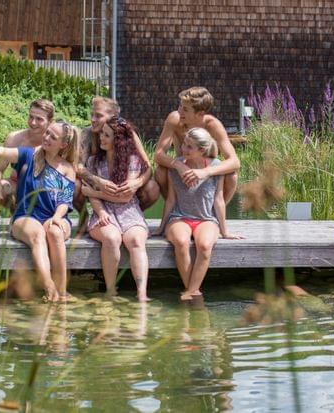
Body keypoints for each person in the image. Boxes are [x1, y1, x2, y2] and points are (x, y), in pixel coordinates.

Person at [0, 117, 79, 303]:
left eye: (53, 137)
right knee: (38, 235)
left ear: (64, 144)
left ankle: (62, 291)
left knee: (55, 233)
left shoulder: (67, 168)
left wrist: (57, 217)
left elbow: (65, 200)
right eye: (47, 132)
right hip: (26, 216)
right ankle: (48, 285)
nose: (46, 137)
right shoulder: (28, 155)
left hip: (55, 215)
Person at [155, 128, 243, 301]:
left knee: (204, 246)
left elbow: (218, 200)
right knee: (181, 242)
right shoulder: (177, 166)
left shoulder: (216, 166)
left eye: (189, 147)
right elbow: (171, 200)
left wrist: (225, 231)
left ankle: (190, 291)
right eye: (184, 145)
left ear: (201, 150)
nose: (183, 149)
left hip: (206, 219)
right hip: (179, 217)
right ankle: (193, 292)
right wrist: (161, 227)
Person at [81, 116, 150, 302]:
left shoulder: (132, 161)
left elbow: (126, 196)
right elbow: (91, 196)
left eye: (106, 135)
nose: (101, 138)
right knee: (112, 238)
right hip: (102, 210)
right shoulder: (94, 162)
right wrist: (101, 210)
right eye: (102, 133)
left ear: (118, 140)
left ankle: (142, 293)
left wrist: (95, 193)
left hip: (129, 210)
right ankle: (111, 290)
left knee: (136, 240)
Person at [154, 87, 240, 204]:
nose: (179, 112)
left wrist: (206, 172)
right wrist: (179, 166)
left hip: (207, 170)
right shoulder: (174, 119)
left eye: (185, 109)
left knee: (232, 176)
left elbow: (234, 162)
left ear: (200, 113)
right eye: (180, 106)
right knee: (160, 172)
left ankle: (214, 213)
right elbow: (158, 155)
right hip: (183, 169)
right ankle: (176, 208)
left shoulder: (212, 125)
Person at [76, 97, 159, 215]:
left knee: (152, 188)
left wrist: (137, 183)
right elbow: (77, 166)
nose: (93, 119)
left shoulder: (126, 133)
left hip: (122, 188)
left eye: (98, 116)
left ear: (114, 117)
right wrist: (98, 181)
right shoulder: (87, 134)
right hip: (94, 187)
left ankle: (131, 215)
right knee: (75, 185)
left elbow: (148, 166)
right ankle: (84, 220)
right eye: (92, 115)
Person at [0, 99, 55, 210]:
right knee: (3, 187)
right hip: (17, 185)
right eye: (31, 117)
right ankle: (14, 215)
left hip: (45, 189)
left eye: (39, 119)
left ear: (50, 122)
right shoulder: (14, 139)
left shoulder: (55, 142)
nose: (33, 122)